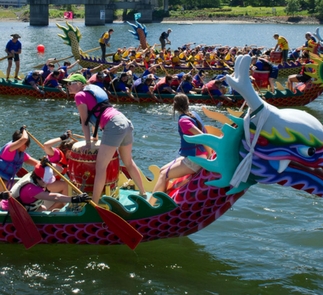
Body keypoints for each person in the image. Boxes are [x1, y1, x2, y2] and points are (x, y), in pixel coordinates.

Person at [61, 73, 146, 203]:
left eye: (69, 83)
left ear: (79, 83)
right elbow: (94, 118)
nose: (67, 86)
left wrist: (88, 143)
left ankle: (95, 203)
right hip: (124, 122)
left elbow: (84, 122)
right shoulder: (91, 92)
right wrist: (94, 139)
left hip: (114, 126)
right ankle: (143, 193)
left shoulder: (79, 95)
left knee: (100, 167)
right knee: (128, 162)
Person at [150, 94, 210, 206]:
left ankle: (150, 206)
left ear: (175, 106)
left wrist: (209, 157)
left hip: (196, 159)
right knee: (162, 170)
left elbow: (204, 137)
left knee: (164, 175)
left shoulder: (184, 121)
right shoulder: (193, 114)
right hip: (194, 156)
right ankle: (162, 199)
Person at [5, 161, 90, 212]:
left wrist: (48, 163)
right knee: (43, 209)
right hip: (13, 210)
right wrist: (74, 199)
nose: (48, 183)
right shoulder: (31, 189)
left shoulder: (36, 175)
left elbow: (59, 170)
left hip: (29, 206)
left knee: (43, 208)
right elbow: (55, 197)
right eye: (47, 181)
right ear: (40, 179)